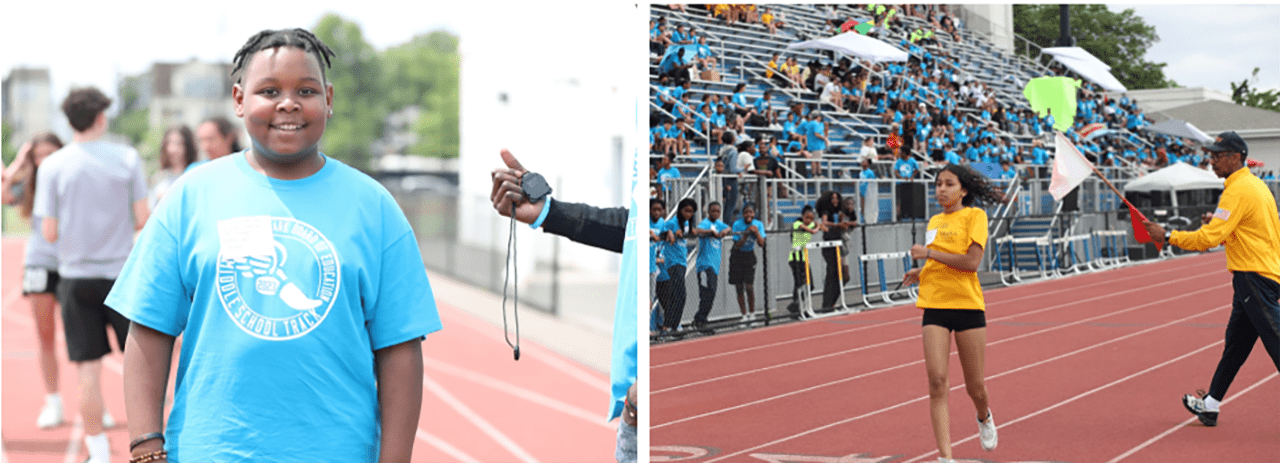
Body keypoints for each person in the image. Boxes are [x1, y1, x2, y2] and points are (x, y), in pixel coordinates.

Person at [106, 29, 441, 463]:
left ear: (329, 98)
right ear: (240, 99)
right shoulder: (192, 197)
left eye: (306, 90)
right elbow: (150, 328)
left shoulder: (374, 207)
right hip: (211, 451)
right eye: (269, 90)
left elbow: (399, 348)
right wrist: (146, 447)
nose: (288, 103)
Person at [32, 87, 147, 463]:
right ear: (101, 117)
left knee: (88, 371)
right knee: (144, 366)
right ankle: (151, 445)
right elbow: (143, 218)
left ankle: (98, 451)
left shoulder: (52, 166)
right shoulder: (128, 158)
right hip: (121, 276)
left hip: (75, 277)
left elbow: (48, 232)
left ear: (68, 121)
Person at [1141, 132, 1280, 428]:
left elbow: (1209, 239)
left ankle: (1211, 404)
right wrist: (1217, 223)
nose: (1212, 161)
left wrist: (1167, 236)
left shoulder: (1238, 190)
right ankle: (1211, 405)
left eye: (1217, 155)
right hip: (1258, 273)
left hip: (1254, 275)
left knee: (1276, 341)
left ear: (1236, 156)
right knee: (1236, 346)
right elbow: (1247, 229)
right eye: (1211, 155)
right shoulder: (1255, 185)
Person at [900, 163, 1003, 463]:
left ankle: (983, 416)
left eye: (948, 184)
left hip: (967, 305)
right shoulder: (934, 220)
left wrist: (928, 254)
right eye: (938, 184)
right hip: (934, 304)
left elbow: (971, 263)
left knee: (976, 387)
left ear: (964, 190)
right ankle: (945, 458)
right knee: (936, 382)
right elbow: (943, 259)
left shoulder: (975, 216)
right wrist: (922, 271)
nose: (941, 189)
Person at [2, 133, 92, 429]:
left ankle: (92, 402)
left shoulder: (74, 180)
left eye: (50, 153)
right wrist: (18, 162)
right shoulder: (28, 184)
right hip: (39, 264)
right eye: (38, 155)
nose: (44, 160)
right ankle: (53, 402)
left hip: (71, 264)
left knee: (82, 338)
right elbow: (3, 193)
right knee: (45, 337)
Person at [692, 201, 731, 330]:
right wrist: (710, 231)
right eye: (713, 210)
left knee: (711, 293)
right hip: (704, 265)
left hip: (714, 265)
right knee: (707, 292)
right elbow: (697, 230)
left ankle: (701, 320)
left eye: (718, 211)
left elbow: (729, 227)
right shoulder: (706, 223)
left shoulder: (718, 224)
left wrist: (725, 230)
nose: (715, 213)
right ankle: (700, 320)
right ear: (708, 211)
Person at [816, 191, 856, 310]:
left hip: (841, 246)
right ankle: (827, 304)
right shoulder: (826, 211)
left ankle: (832, 301)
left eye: (837, 198)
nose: (835, 200)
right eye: (833, 198)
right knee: (832, 274)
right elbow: (824, 223)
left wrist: (847, 223)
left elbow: (854, 221)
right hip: (830, 245)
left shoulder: (841, 210)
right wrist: (838, 225)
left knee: (845, 276)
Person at [730, 203, 766, 321]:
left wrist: (756, 233)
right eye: (746, 212)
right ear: (743, 214)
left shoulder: (758, 224)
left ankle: (752, 313)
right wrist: (746, 233)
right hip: (737, 256)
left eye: (751, 212)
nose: (748, 215)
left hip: (749, 256)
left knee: (749, 287)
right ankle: (743, 315)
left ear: (754, 214)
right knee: (739, 287)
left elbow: (761, 244)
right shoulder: (737, 224)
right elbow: (737, 246)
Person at [150, 125, 198, 207]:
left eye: (179, 144)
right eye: (169, 143)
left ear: (188, 146)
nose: (173, 149)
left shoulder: (195, 176)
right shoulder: (159, 178)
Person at [787, 204, 822, 313]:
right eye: (807, 218)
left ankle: (797, 304)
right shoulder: (797, 223)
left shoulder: (811, 224)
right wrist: (817, 226)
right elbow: (812, 231)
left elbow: (822, 227)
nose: (809, 220)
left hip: (804, 258)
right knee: (799, 283)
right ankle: (797, 305)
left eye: (811, 218)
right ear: (802, 216)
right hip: (795, 258)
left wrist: (820, 225)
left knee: (810, 285)